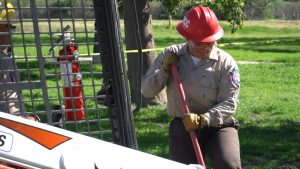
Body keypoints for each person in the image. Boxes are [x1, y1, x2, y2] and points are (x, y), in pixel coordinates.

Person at [141, 6, 241, 169]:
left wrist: (203, 119)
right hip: (183, 127)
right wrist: (164, 71)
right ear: (187, 38)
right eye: (199, 44)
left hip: (218, 126)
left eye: (210, 42)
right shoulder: (171, 55)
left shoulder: (226, 63)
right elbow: (147, 91)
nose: (205, 48)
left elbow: (230, 102)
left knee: (229, 165)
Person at [0, 2, 39, 121]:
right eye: (8, 27)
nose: (10, 32)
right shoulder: (4, 61)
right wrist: (27, 121)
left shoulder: (6, 57)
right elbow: (9, 102)